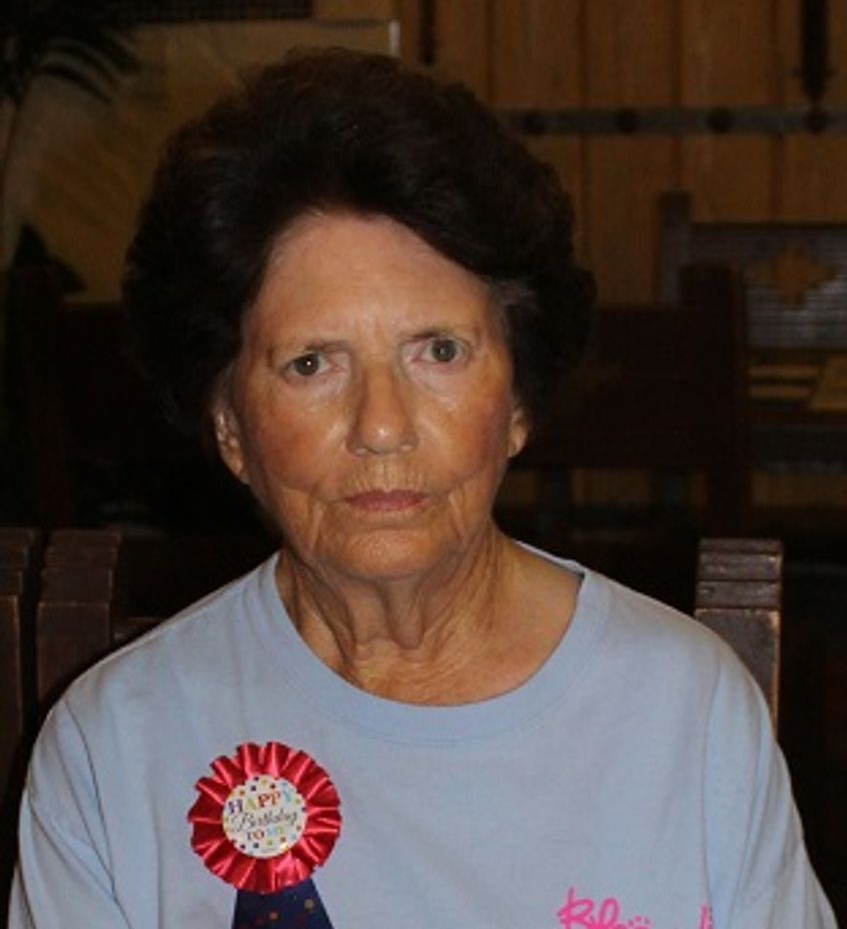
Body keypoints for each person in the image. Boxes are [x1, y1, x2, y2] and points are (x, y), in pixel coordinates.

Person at [9, 48, 836, 929]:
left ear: (516, 402)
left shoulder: (685, 709)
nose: (382, 425)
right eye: (311, 363)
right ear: (230, 429)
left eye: (438, 351)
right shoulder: (116, 743)